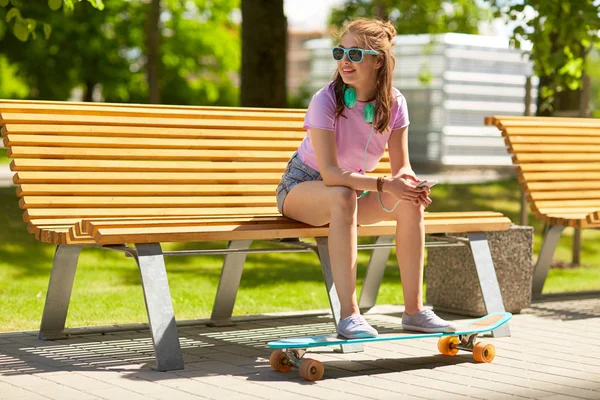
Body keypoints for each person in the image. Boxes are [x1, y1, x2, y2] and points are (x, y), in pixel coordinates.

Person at [275, 18, 456, 339]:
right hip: (302, 188)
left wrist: (410, 186)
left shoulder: (395, 103)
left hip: (351, 190)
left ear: (378, 61)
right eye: (340, 51)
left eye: (356, 54)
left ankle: (414, 310)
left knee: (409, 202)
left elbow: (402, 166)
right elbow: (330, 174)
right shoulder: (325, 100)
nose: (345, 60)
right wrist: (385, 185)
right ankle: (350, 316)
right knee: (343, 195)